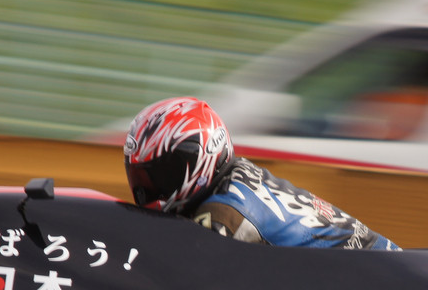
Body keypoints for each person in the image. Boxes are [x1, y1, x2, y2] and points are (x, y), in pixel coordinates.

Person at [123, 96, 400, 250]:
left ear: (198, 156)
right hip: (380, 263)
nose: (148, 189)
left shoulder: (222, 214)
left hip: (376, 286)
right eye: (141, 178)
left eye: (159, 175)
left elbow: (180, 277)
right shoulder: (237, 175)